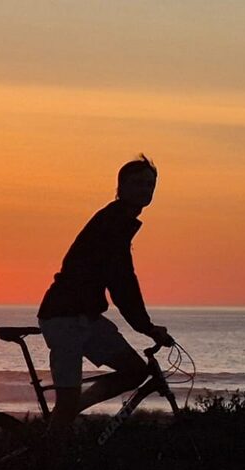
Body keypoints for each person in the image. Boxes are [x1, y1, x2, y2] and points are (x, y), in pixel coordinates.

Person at [37, 155, 172, 421]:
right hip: (63, 317)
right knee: (65, 403)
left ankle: (69, 414)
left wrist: (145, 326)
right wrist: (145, 326)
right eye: (138, 184)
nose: (145, 190)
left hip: (87, 318)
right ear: (120, 187)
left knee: (135, 371)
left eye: (150, 185)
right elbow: (121, 281)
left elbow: (122, 280)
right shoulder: (113, 222)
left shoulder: (120, 221)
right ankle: (52, 449)